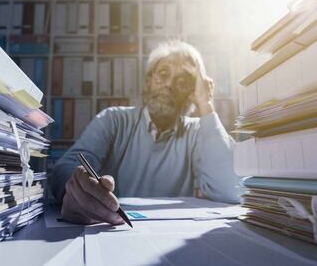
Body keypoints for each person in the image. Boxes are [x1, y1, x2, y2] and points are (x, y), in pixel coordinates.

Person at [49, 40, 241, 225]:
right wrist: (76, 190)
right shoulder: (114, 119)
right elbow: (66, 167)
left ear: (192, 91)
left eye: (182, 81)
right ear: (148, 82)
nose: (169, 85)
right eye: (163, 74)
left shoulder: (198, 131)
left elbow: (231, 189)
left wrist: (205, 104)